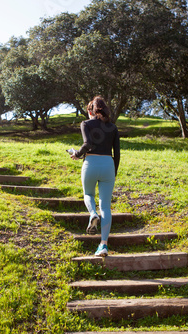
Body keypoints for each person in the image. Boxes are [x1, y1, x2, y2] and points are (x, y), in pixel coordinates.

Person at [71, 96, 120, 257]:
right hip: (108, 165)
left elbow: (88, 144)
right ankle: (103, 245)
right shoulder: (112, 127)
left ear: (90, 111)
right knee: (105, 206)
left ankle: (92, 214)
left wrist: (77, 154)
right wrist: (114, 172)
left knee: (88, 194)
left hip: (91, 163)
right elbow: (117, 154)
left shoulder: (86, 124)